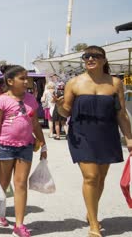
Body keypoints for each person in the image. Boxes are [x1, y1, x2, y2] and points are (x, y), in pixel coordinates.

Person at [55, 45, 132, 237]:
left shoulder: (115, 83)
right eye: (86, 56)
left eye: (95, 56)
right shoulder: (74, 83)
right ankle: (94, 225)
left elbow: (121, 114)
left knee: (101, 178)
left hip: (107, 134)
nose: (90, 58)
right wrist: (58, 106)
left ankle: (91, 212)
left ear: (104, 60)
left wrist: (129, 138)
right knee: (90, 176)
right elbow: (66, 112)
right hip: (82, 134)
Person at [0, 65, 47, 237]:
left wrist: (43, 144)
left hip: (26, 147)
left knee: (21, 184)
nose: (26, 81)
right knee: (3, 184)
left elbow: (35, 123)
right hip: (5, 147)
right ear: (10, 81)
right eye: (22, 78)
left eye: (27, 78)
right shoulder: (2, 100)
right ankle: (0, 212)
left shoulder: (31, 100)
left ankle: (19, 225)